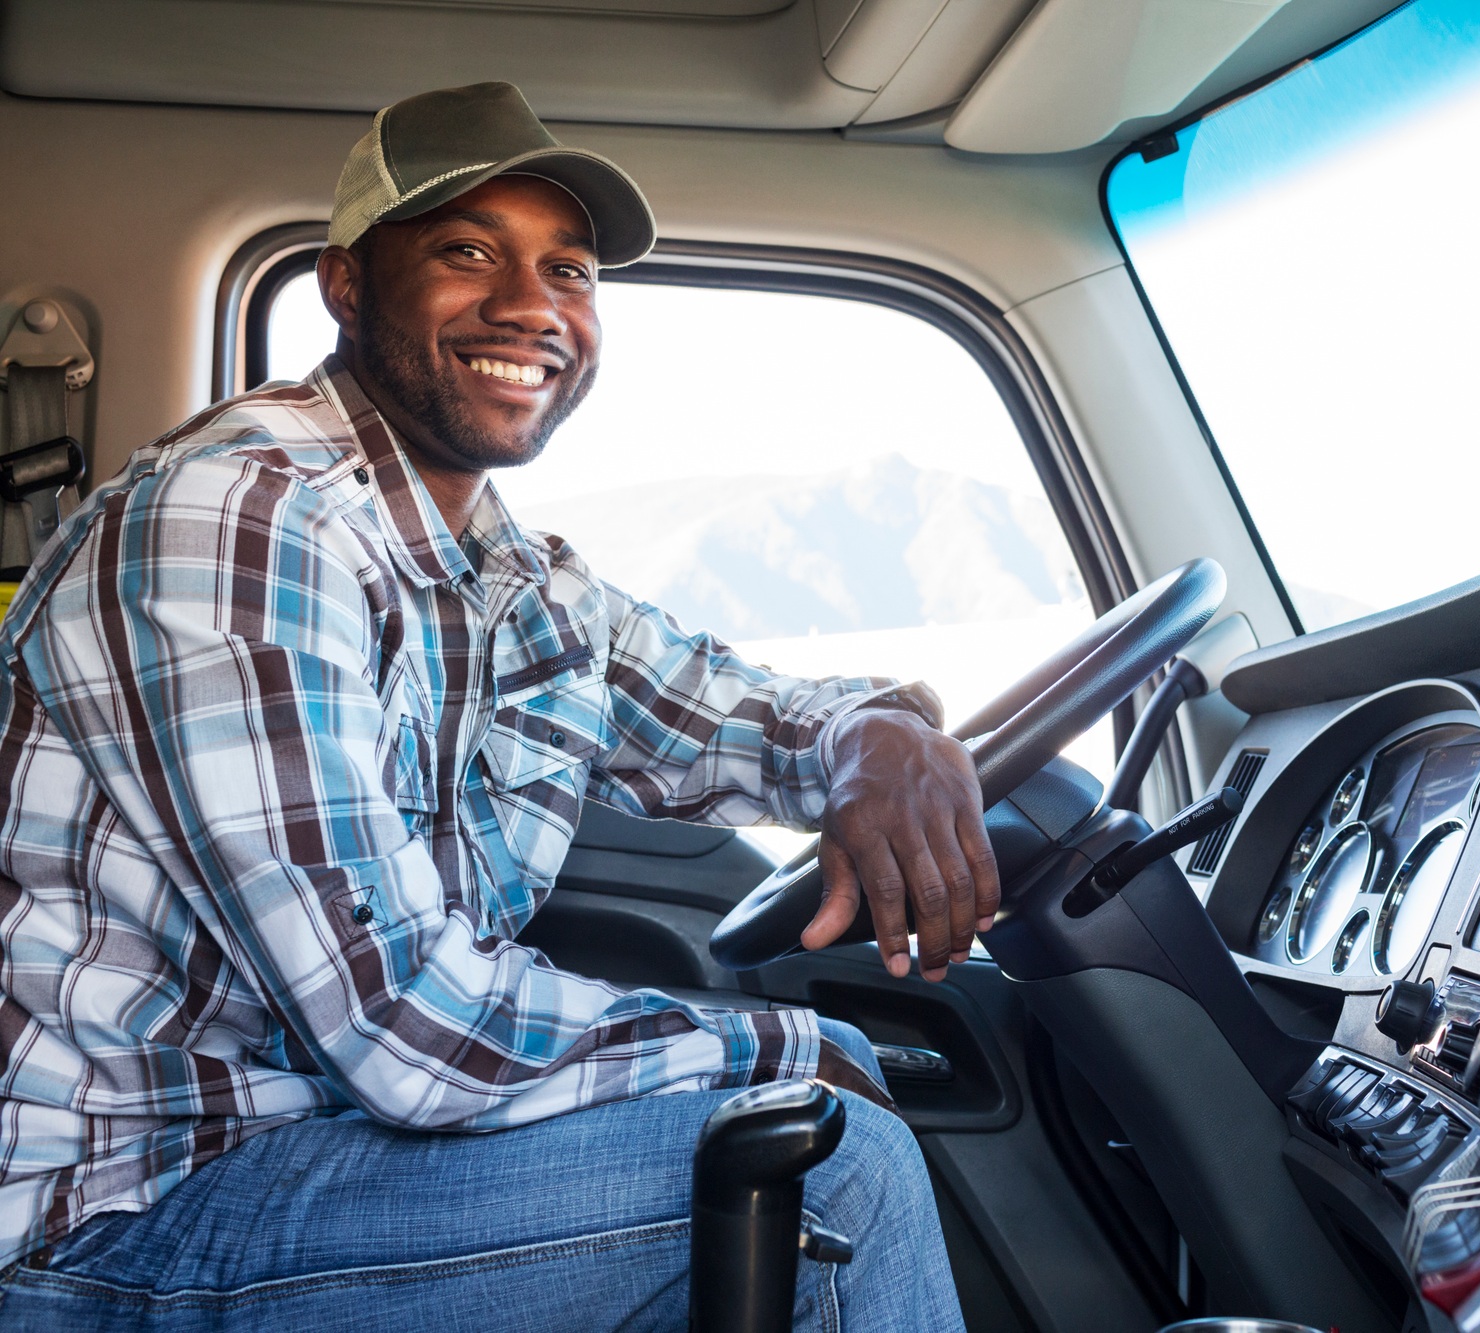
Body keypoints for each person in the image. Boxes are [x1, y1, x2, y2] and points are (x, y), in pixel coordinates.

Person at [0, 82, 992, 1330]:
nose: (532, 306)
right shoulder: (239, 521)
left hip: (326, 1151)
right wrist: (800, 1046)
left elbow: (725, 711)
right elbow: (406, 1029)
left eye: (567, 270)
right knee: (828, 1160)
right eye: (469, 252)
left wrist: (872, 734)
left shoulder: (509, 572)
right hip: (132, 1211)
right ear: (347, 285)